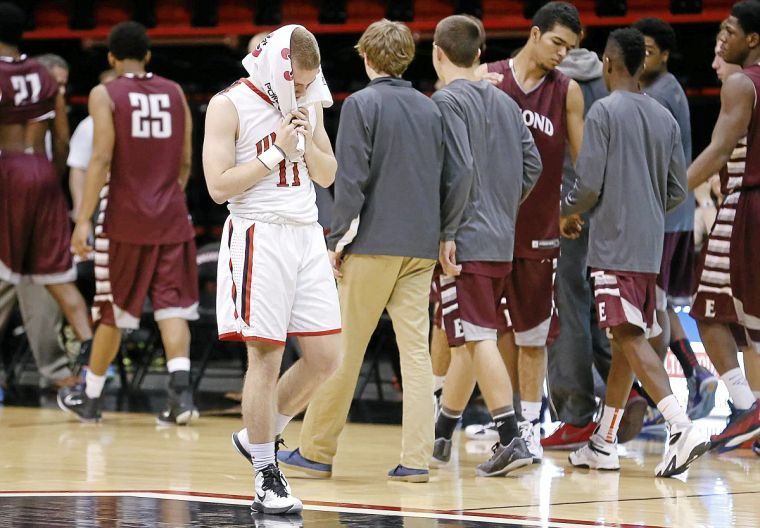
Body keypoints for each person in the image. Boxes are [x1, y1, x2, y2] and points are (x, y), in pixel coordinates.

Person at [276, 19, 444, 483]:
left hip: (371, 244)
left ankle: (316, 451)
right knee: (416, 356)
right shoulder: (432, 110)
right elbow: (454, 177)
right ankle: (416, 460)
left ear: (365, 57)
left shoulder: (362, 105)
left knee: (343, 350)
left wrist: (338, 241)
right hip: (421, 246)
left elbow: (350, 183)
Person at [204, 25, 342, 514]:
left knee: (327, 357)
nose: (304, 91)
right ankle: (266, 471)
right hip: (258, 232)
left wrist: (307, 141)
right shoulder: (229, 104)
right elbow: (218, 187)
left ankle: (259, 435)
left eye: (309, 84)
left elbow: (327, 174)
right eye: (298, 84)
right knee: (266, 356)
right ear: (276, 69)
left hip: (306, 232)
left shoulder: (310, 99)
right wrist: (276, 152)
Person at [561, 28, 710, 477]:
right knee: (626, 339)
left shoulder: (604, 111)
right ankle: (604, 440)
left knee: (626, 336)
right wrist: (643, 208)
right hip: (649, 247)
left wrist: (566, 212)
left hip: (613, 245)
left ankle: (681, 427)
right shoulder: (663, 116)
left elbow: (587, 184)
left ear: (607, 63)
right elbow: (677, 189)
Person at [57, 22, 200, 427]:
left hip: (123, 217)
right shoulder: (174, 92)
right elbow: (186, 158)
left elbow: (100, 158)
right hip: (171, 214)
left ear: (111, 58)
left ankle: (90, 395)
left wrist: (83, 220)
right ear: (149, 56)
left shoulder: (105, 93)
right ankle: (181, 396)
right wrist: (167, 198)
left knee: (112, 308)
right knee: (172, 304)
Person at [461, 1, 585, 461]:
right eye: (557, 43)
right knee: (476, 333)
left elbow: (584, 163)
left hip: (537, 231)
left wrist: (568, 209)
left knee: (533, 336)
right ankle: (484, 420)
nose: (562, 54)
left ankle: (530, 428)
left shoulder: (567, 91)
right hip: (486, 227)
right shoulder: (487, 76)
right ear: (534, 34)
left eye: (570, 48)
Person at [429, 14, 543, 476]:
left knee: (477, 337)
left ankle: (510, 436)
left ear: (437, 53)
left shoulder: (445, 101)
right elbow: (532, 164)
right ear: (479, 56)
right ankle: (441, 433)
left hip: (467, 239)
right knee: (469, 339)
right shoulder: (505, 102)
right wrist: (503, 205)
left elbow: (458, 170)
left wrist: (448, 231)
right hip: (499, 235)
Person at [633, 17, 719, 426]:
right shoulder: (663, 89)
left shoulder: (659, 93)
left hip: (664, 215)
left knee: (650, 308)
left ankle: (655, 397)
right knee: (660, 304)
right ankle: (694, 373)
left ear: (665, 54)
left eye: (648, 50)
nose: (642, 57)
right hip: (674, 213)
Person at [0, 3, 93, 370]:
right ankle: (89, 359)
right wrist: (48, 177)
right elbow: (62, 138)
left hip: (8, 169)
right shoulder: (43, 73)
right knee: (54, 275)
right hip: (42, 170)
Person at [542, 37, 621, 449]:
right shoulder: (609, 80)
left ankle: (575, 415)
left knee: (566, 307)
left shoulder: (553, 84)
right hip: (607, 208)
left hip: (566, 207)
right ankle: (621, 403)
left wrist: (560, 209)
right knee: (603, 311)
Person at [688, 0, 760, 452]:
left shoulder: (740, 82)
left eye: (729, 30)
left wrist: (669, 194)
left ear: (752, 39)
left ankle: (744, 406)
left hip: (745, 205)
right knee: (754, 328)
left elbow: (717, 151)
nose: (722, 37)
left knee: (708, 311)